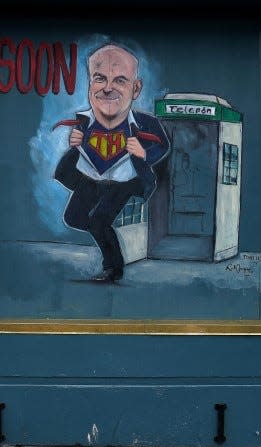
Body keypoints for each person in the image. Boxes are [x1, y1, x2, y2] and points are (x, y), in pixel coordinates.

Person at [54, 43, 170, 282]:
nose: (108, 88)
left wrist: (145, 153)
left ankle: (113, 267)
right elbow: (77, 157)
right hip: (94, 179)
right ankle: (106, 233)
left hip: (126, 179)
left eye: (119, 80)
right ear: (90, 84)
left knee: (98, 220)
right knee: (73, 217)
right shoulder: (84, 121)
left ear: (135, 89)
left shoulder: (144, 123)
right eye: (100, 79)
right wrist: (75, 143)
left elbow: (163, 145)